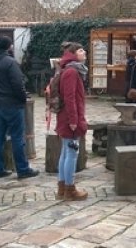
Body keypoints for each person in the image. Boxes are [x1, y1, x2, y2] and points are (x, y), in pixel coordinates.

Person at [0, 36, 39, 180]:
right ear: (9, 47)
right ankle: (22, 169)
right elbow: (17, 84)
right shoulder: (10, 62)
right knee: (17, 137)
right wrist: (22, 98)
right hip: (12, 104)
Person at [55, 42, 90, 200]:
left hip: (66, 117)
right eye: (81, 50)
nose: (85, 53)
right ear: (73, 54)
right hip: (70, 118)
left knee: (65, 152)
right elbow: (70, 98)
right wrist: (74, 120)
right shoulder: (71, 72)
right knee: (71, 153)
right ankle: (70, 189)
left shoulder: (69, 69)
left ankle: (62, 188)